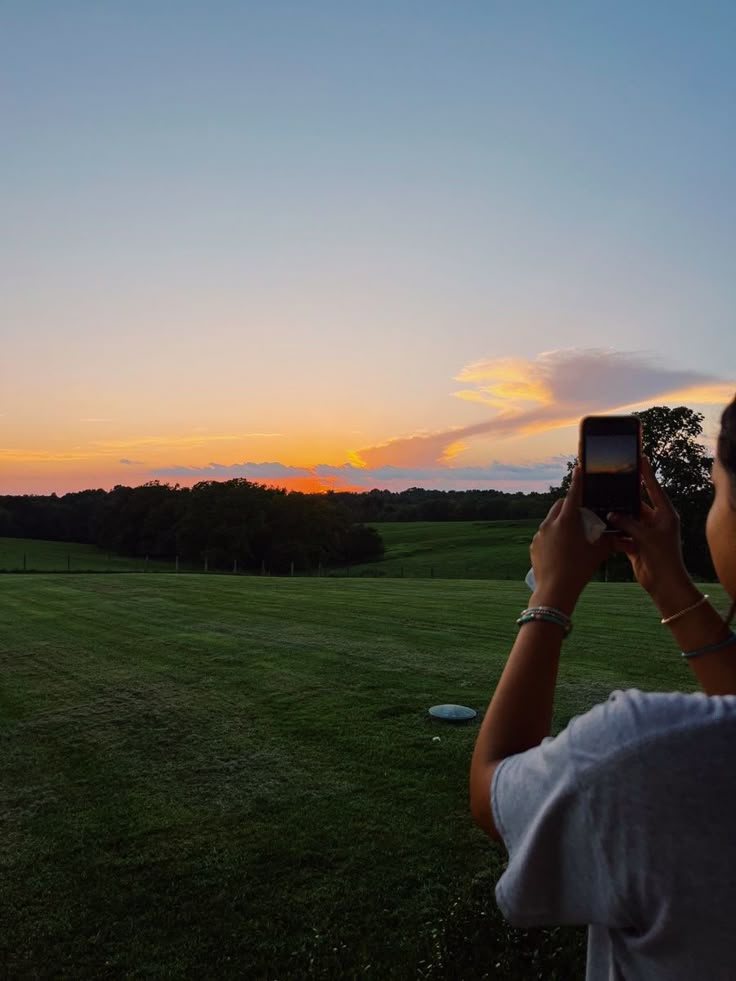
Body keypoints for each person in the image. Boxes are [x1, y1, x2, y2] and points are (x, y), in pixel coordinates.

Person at [469, 394, 736, 980]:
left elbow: (495, 791)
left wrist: (550, 597)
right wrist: (669, 584)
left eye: (717, 492)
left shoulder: (649, 755)